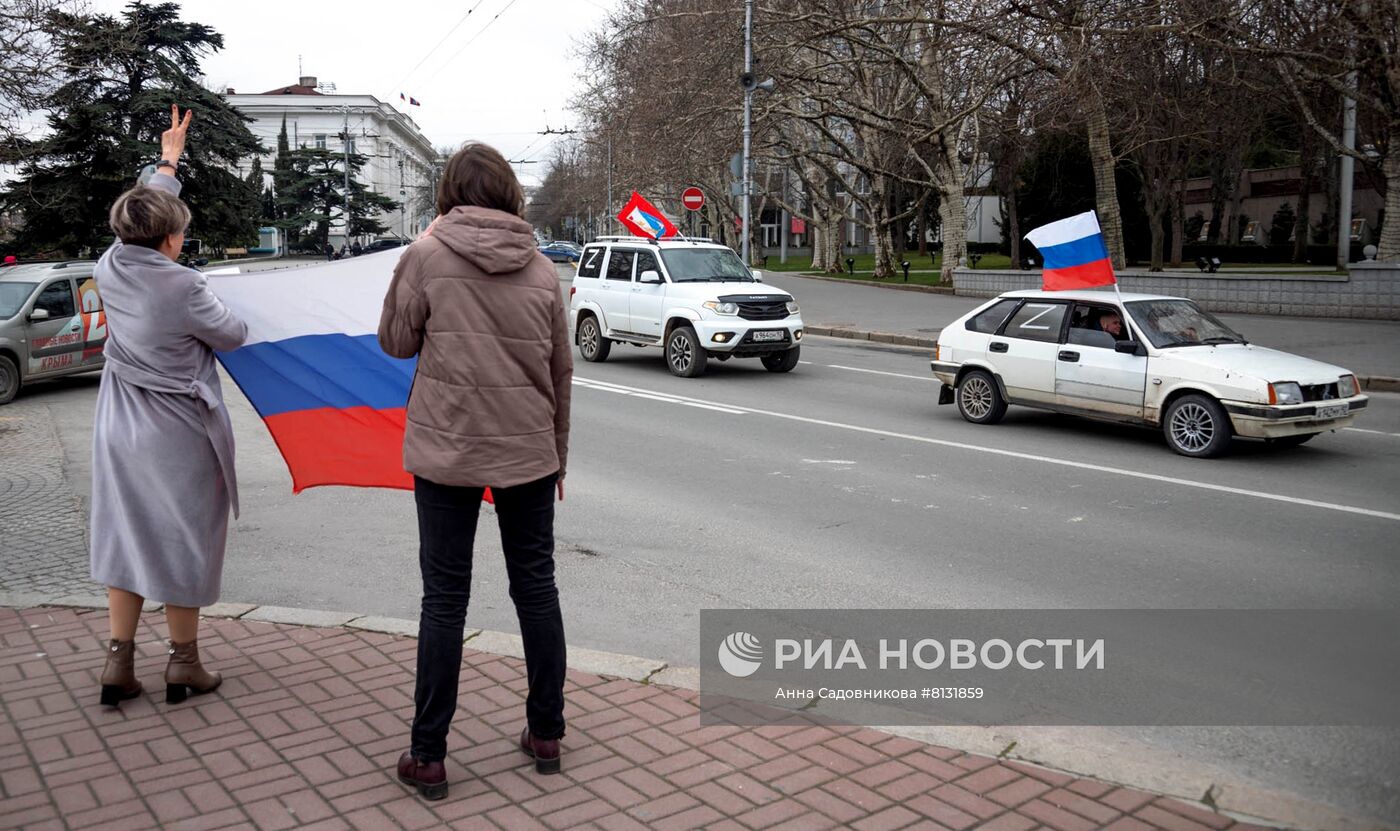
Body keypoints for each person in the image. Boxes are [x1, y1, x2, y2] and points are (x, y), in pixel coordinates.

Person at [380, 142, 572, 801]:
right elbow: (560, 376)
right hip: (527, 453)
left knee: (444, 598)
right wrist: (558, 457)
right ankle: (546, 731)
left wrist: (421, 253)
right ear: (513, 195)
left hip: (447, 450)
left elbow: (395, 341)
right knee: (537, 589)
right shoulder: (544, 272)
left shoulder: (427, 255)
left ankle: (428, 754)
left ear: (449, 196)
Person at [89, 104, 248, 709]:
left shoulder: (111, 265)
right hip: (178, 431)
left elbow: (140, 215)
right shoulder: (183, 287)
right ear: (169, 239)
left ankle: (118, 662)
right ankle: (184, 664)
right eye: (179, 230)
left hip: (117, 427)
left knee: (126, 535)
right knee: (185, 537)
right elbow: (232, 334)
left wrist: (168, 162)